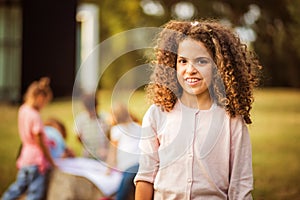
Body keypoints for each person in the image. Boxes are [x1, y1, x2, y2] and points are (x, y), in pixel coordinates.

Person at [134, 19, 262, 199]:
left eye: (201, 61)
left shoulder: (231, 120)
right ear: (173, 64)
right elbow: (145, 177)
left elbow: (240, 186)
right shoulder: (157, 114)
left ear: (218, 67)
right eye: (183, 61)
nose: (190, 69)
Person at [2, 77, 57, 200]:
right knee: (34, 194)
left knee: (17, 188)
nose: (44, 106)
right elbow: (39, 141)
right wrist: (51, 161)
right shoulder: (35, 116)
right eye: (45, 102)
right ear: (39, 98)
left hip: (25, 158)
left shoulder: (23, 110)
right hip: (36, 162)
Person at [106, 103, 141, 200]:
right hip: (142, 164)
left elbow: (112, 153)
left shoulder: (116, 130)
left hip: (129, 167)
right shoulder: (137, 126)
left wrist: (108, 169)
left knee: (121, 195)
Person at [74, 93, 110, 161]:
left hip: (104, 156)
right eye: (89, 110)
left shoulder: (105, 117)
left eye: (93, 109)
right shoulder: (80, 119)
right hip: (88, 156)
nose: (91, 112)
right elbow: (78, 137)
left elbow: (111, 136)